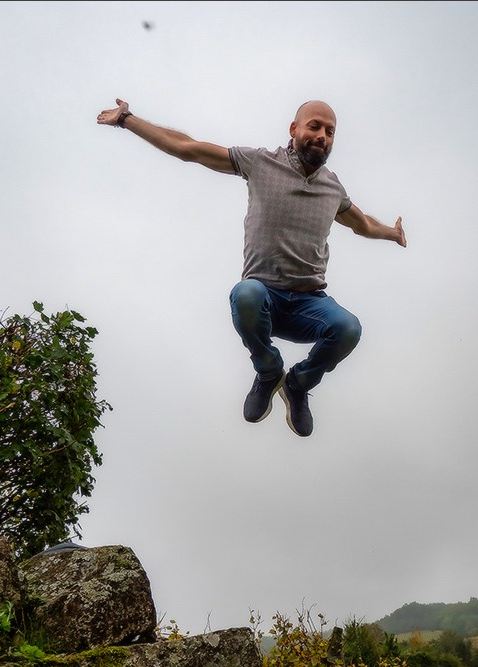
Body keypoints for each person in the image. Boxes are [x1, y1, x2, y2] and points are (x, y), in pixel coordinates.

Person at [97, 98, 406, 437]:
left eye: (330, 132)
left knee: (348, 328)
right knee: (245, 293)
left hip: (309, 305)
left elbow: (361, 224)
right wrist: (126, 119)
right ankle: (269, 372)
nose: (322, 136)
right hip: (264, 301)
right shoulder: (260, 163)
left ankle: (298, 385)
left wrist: (392, 233)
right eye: (314, 126)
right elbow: (188, 148)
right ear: (294, 129)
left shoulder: (333, 188)